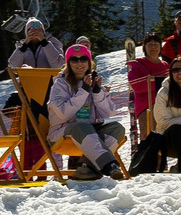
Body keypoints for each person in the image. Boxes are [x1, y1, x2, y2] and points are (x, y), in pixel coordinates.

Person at [47, 43, 129, 179]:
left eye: (83, 59)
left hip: (90, 132)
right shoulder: (60, 84)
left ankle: (86, 168)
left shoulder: (92, 81)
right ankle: (109, 164)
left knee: (117, 128)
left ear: (89, 62)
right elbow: (63, 114)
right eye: (74, 59)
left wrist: (97, 93)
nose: (79, 63)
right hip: (61, 132)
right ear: (68, 63)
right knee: (81, 126)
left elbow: (110, 114)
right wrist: (83, 91)